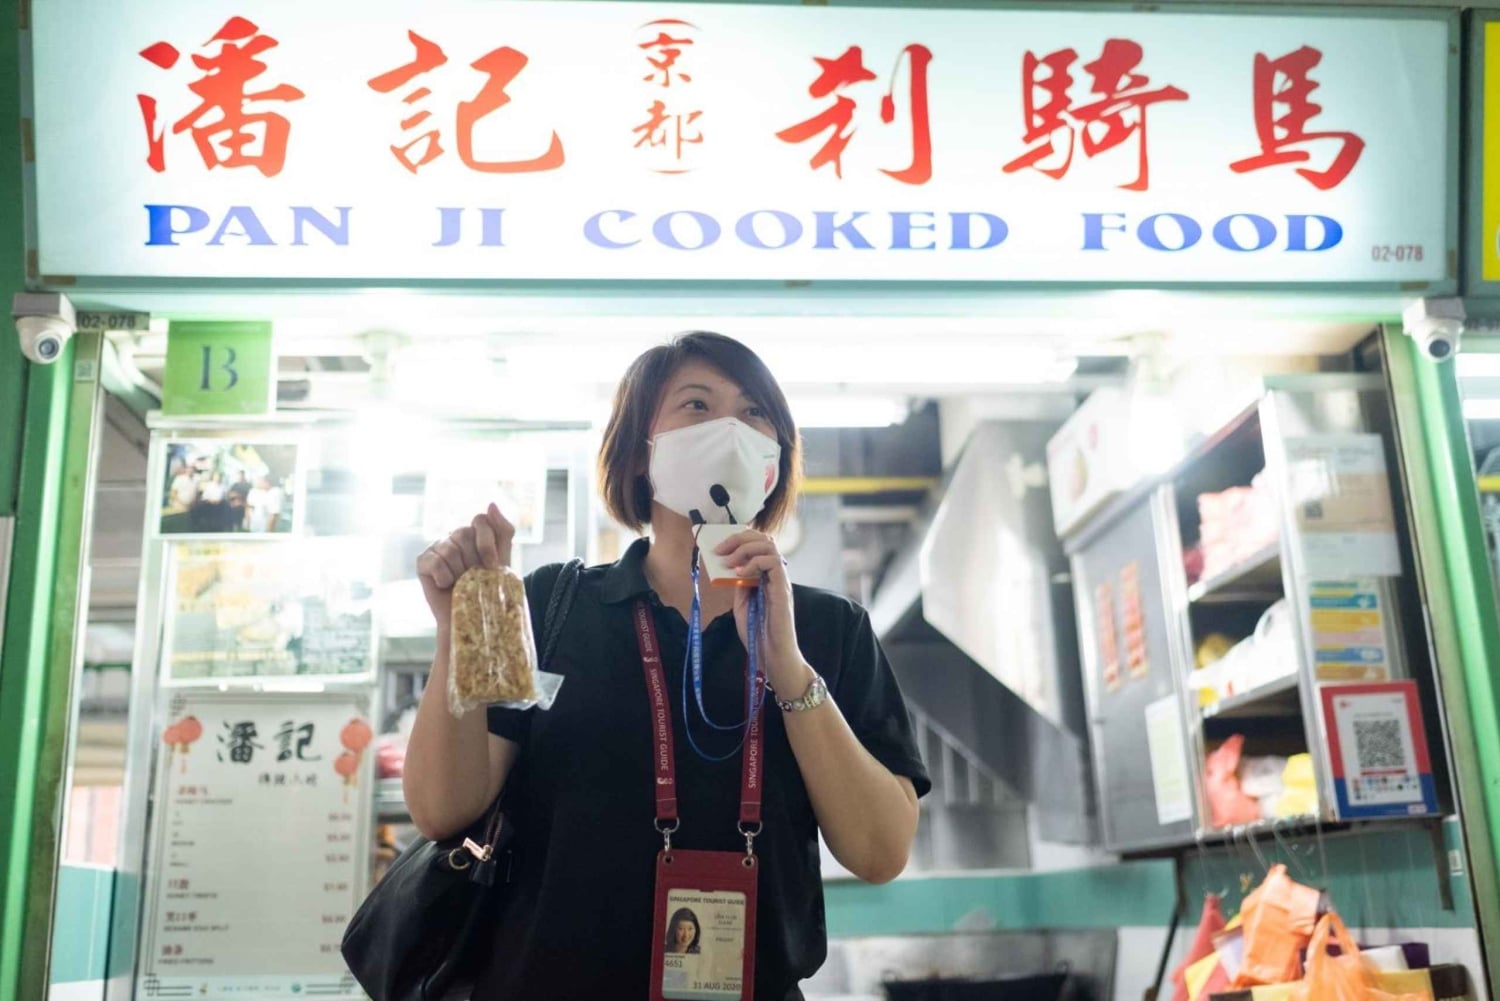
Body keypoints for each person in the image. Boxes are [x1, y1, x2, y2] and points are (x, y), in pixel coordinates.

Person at [405, 332, 930, 1001]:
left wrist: (788, 668)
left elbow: (881, 851)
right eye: (696, 405)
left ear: (776, 460)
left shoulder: (830, 629)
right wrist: (458, 628)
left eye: (754, 413)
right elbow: (443, 806)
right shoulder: (554, 606)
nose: (731, 430)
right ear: (638, 455)